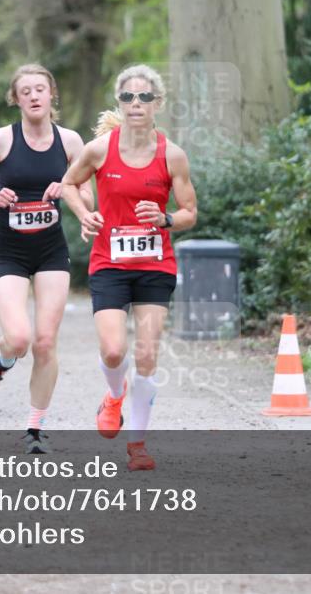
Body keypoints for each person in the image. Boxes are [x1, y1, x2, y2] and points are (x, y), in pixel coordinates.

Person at [61, 64, 198, 471]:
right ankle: (114, 394)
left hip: (155, 265)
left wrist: (166, 219)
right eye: (127, 97)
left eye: (144, 97)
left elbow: (190, 211)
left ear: (158, 103)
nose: (135, 104)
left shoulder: (172, 155)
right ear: (119, 103)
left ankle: (137, 444)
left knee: (146, 353)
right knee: (114, 348)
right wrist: (86, 214)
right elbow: (69, 184)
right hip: (110, 263)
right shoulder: (100, 149)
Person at [0, 64, 92, 454]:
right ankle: (0, 362)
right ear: (16, 98)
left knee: (44, 342)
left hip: (52, 251)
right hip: (11, 252)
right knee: (19, 339)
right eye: (26, 91)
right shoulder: (1, 140)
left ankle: (34, 429)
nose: (34, 96)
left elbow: (88, 199)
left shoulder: (70, 142)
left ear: (52, 94)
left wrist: (67, 190)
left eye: (40, 89)